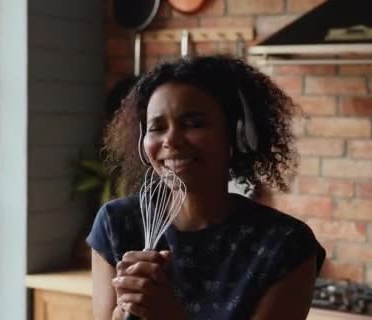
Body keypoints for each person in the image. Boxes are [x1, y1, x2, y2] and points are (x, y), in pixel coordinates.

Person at [87, 55, 325, 320]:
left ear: (236, 135)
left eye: (193, 123)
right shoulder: (116, 224)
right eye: (157, 127)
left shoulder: (285, 245)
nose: (171, 140)